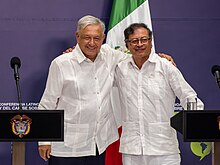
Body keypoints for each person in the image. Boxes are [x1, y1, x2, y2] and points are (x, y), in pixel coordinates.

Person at [38, 15, 175, 165]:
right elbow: (47, 103)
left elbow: (137, 58)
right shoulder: (61, 64)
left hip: (98, 145)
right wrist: (44, 141)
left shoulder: (110, 55)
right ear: (77, 36)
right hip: (67, 146)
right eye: (86, 38)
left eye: (96, 38)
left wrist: (161, 60)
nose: (92, 43)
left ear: (103, 37)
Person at [114, 23, 204, 165]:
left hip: (163, 149)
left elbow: (189, 96)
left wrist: (196, 124)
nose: (139, 44)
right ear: (127, 45)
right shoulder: (120, 69)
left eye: (144, 39)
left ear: (150, 41)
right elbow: (96, 63)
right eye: (134, 41)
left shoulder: (165, 66)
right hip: (132, 150)